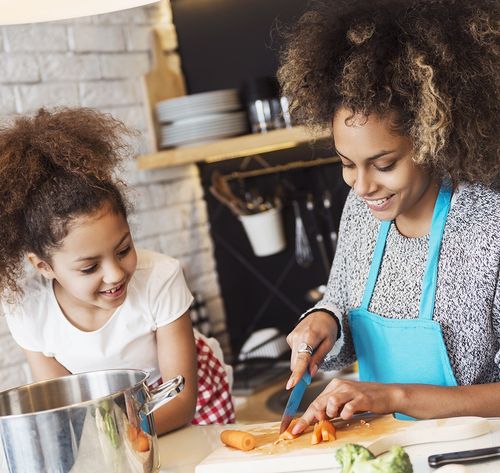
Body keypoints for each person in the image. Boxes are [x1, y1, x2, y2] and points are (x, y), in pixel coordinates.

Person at [278, 0, 500, 433]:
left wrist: (392, 396)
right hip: (385, 445)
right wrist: (321, 321)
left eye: (383, 164)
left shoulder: (489, 224)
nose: (361, 187)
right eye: (346, 163)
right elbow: (341, 307)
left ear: (435, 138)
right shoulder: (362, 213)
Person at [0, 108, 235, 434]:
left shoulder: (160, 278)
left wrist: (119, 438)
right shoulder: (28, 313)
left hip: (182, 402)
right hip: (111, 421)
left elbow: (181, 403)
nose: (115, 274)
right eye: (89, 267)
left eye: (123, 249)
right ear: (44, 266)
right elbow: (68, 411)